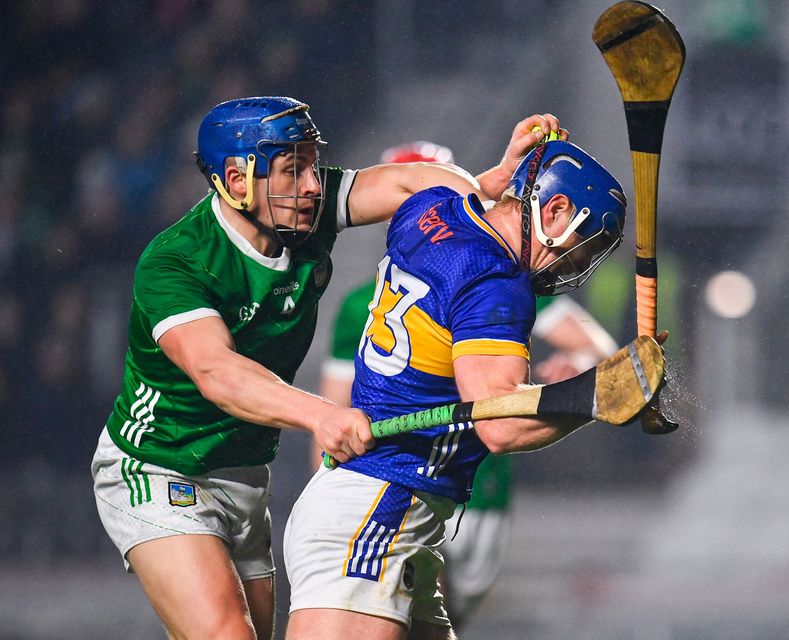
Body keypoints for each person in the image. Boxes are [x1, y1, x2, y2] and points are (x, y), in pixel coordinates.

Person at [90, 94, 564, 640]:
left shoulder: (302, 211)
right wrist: (321, 415)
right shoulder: (175, 262)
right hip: (158, 466)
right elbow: (217, 372)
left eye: (314, 163)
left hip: (244, 475)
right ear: (236, 180)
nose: (315, 184)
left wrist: (491, 187)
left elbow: (414, 183)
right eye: (293, 169)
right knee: (226, 633)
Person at [284, 136, 633, 640]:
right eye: (585, 243)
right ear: (554, 209)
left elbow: (411, 180)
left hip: (372, 503)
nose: (580, 264)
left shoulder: (429, 211)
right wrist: (599, 397)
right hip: (381, 503)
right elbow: (503, 425)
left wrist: (494, 178)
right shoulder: (496, 282)